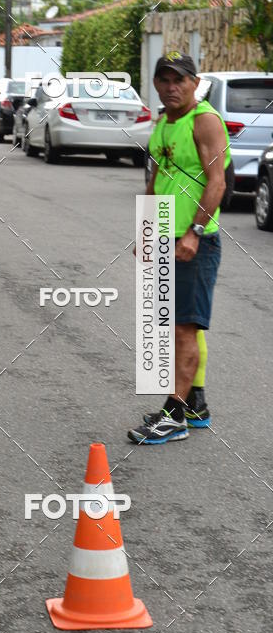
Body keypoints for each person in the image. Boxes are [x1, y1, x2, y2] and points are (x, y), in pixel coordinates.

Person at [128, 52, 230, 445]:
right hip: (165, 236)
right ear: (155, 83)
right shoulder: (164, 123)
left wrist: (194, 232)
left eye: (180, 80)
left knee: (183, 327)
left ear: (195, 82)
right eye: (164, 79)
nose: (172, 87)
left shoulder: (203, 121)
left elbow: (216, 182)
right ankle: (194, 403)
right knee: (172, 324)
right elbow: (157, 177)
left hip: (193, 241)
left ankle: (174, 417)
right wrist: (147, 230)